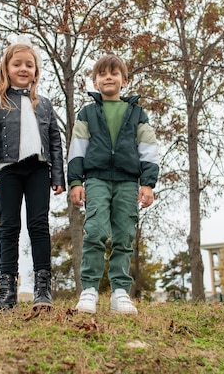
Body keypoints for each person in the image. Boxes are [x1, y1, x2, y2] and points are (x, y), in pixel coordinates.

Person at [67, 53, 159, 314]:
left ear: (124, 81)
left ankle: (120, 292)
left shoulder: (137, 113)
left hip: (128, 181)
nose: (109, 77)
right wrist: (76, 181)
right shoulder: (87, 113)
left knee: (124, 235)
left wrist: (148, 183)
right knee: (94, 232)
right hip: (95, 179)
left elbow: (149, 149)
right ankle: (89, 290)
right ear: (95, 82)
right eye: (103, 74)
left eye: (114, 73)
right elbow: (77, 149)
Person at [0, 41, 65, 314]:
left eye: (29, 65)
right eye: (17, 64)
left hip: (39, 169)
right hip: (8, 170)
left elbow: (55, 141)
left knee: (39, 225)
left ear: (36, 71)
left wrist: (58, 175)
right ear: (6, 68)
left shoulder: (45, 105)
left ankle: (42, 287)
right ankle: (7, 290)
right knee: (9, 227)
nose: (23, 68)